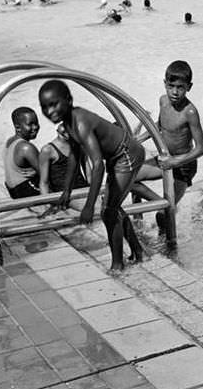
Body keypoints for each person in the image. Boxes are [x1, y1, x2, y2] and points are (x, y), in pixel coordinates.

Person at [38, 80, 144, 270]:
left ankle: (117, 265)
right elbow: (73, 157)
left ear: (68, 100)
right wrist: (66, 192)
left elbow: (97, 166)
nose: (50, 111)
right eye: (45, 107)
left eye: (54, 104)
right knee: (112, 207)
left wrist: (88, 206)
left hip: (127, 155)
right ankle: (138, 251)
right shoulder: (68, 123)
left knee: (108, 211)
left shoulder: (80, 122)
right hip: (116, 157)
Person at [133, 61, 203, 232]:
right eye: (171, 86)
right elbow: (161, 124)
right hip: (165, 157)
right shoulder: (163, 101)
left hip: (183, 165)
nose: (174, 92)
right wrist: (141, 138)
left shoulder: (190, 112)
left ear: (189, 87)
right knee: (129, 178)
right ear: (164, 83)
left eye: (180, 87)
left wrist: (175, 162)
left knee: (163, 216)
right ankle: (149, 212)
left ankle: (169, 245)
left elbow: (201, 148)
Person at [38, 123, 89, 195]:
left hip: (83, 189)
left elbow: (89, 175)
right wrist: (46, 203)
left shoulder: (79, 146)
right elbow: (43, 182)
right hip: (64, 193)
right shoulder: (48, 150)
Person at [4, 107, 41, 199]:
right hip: (27, 191)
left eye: (36, 123)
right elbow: (46, 174)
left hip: (14, 191)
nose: (35, 127)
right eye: (30, 124)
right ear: (18, 127)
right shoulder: (26, 148)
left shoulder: (10, 141)